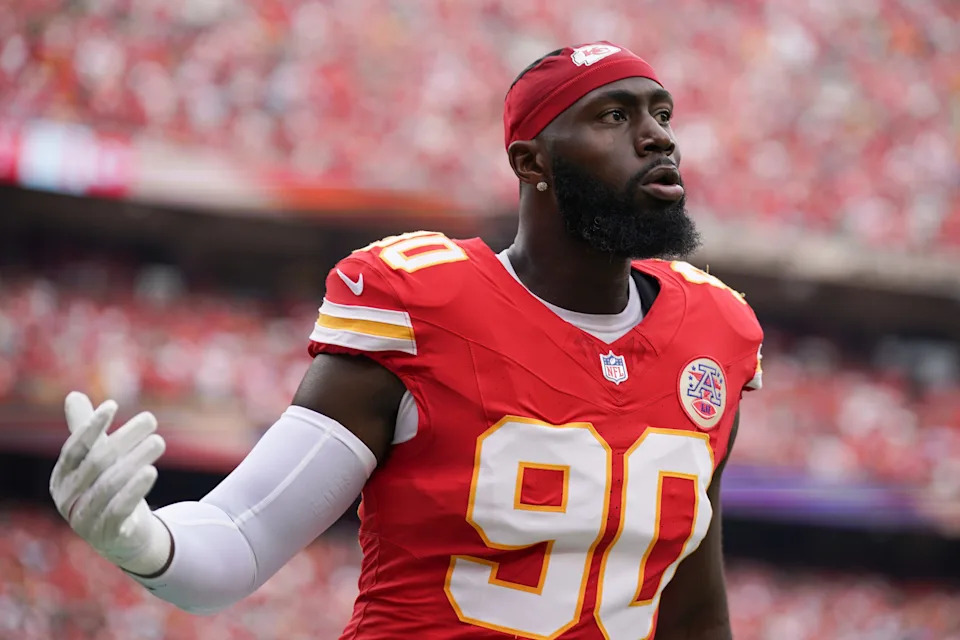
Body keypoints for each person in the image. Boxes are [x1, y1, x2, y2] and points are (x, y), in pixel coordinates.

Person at [49, 41, 763, 639]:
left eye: (662, 114)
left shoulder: (715, 331)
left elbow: (692, 609)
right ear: (531, 163)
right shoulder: (423, 304)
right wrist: (144, 545)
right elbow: (241, 536)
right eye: (616, 115)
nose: (658, 135)